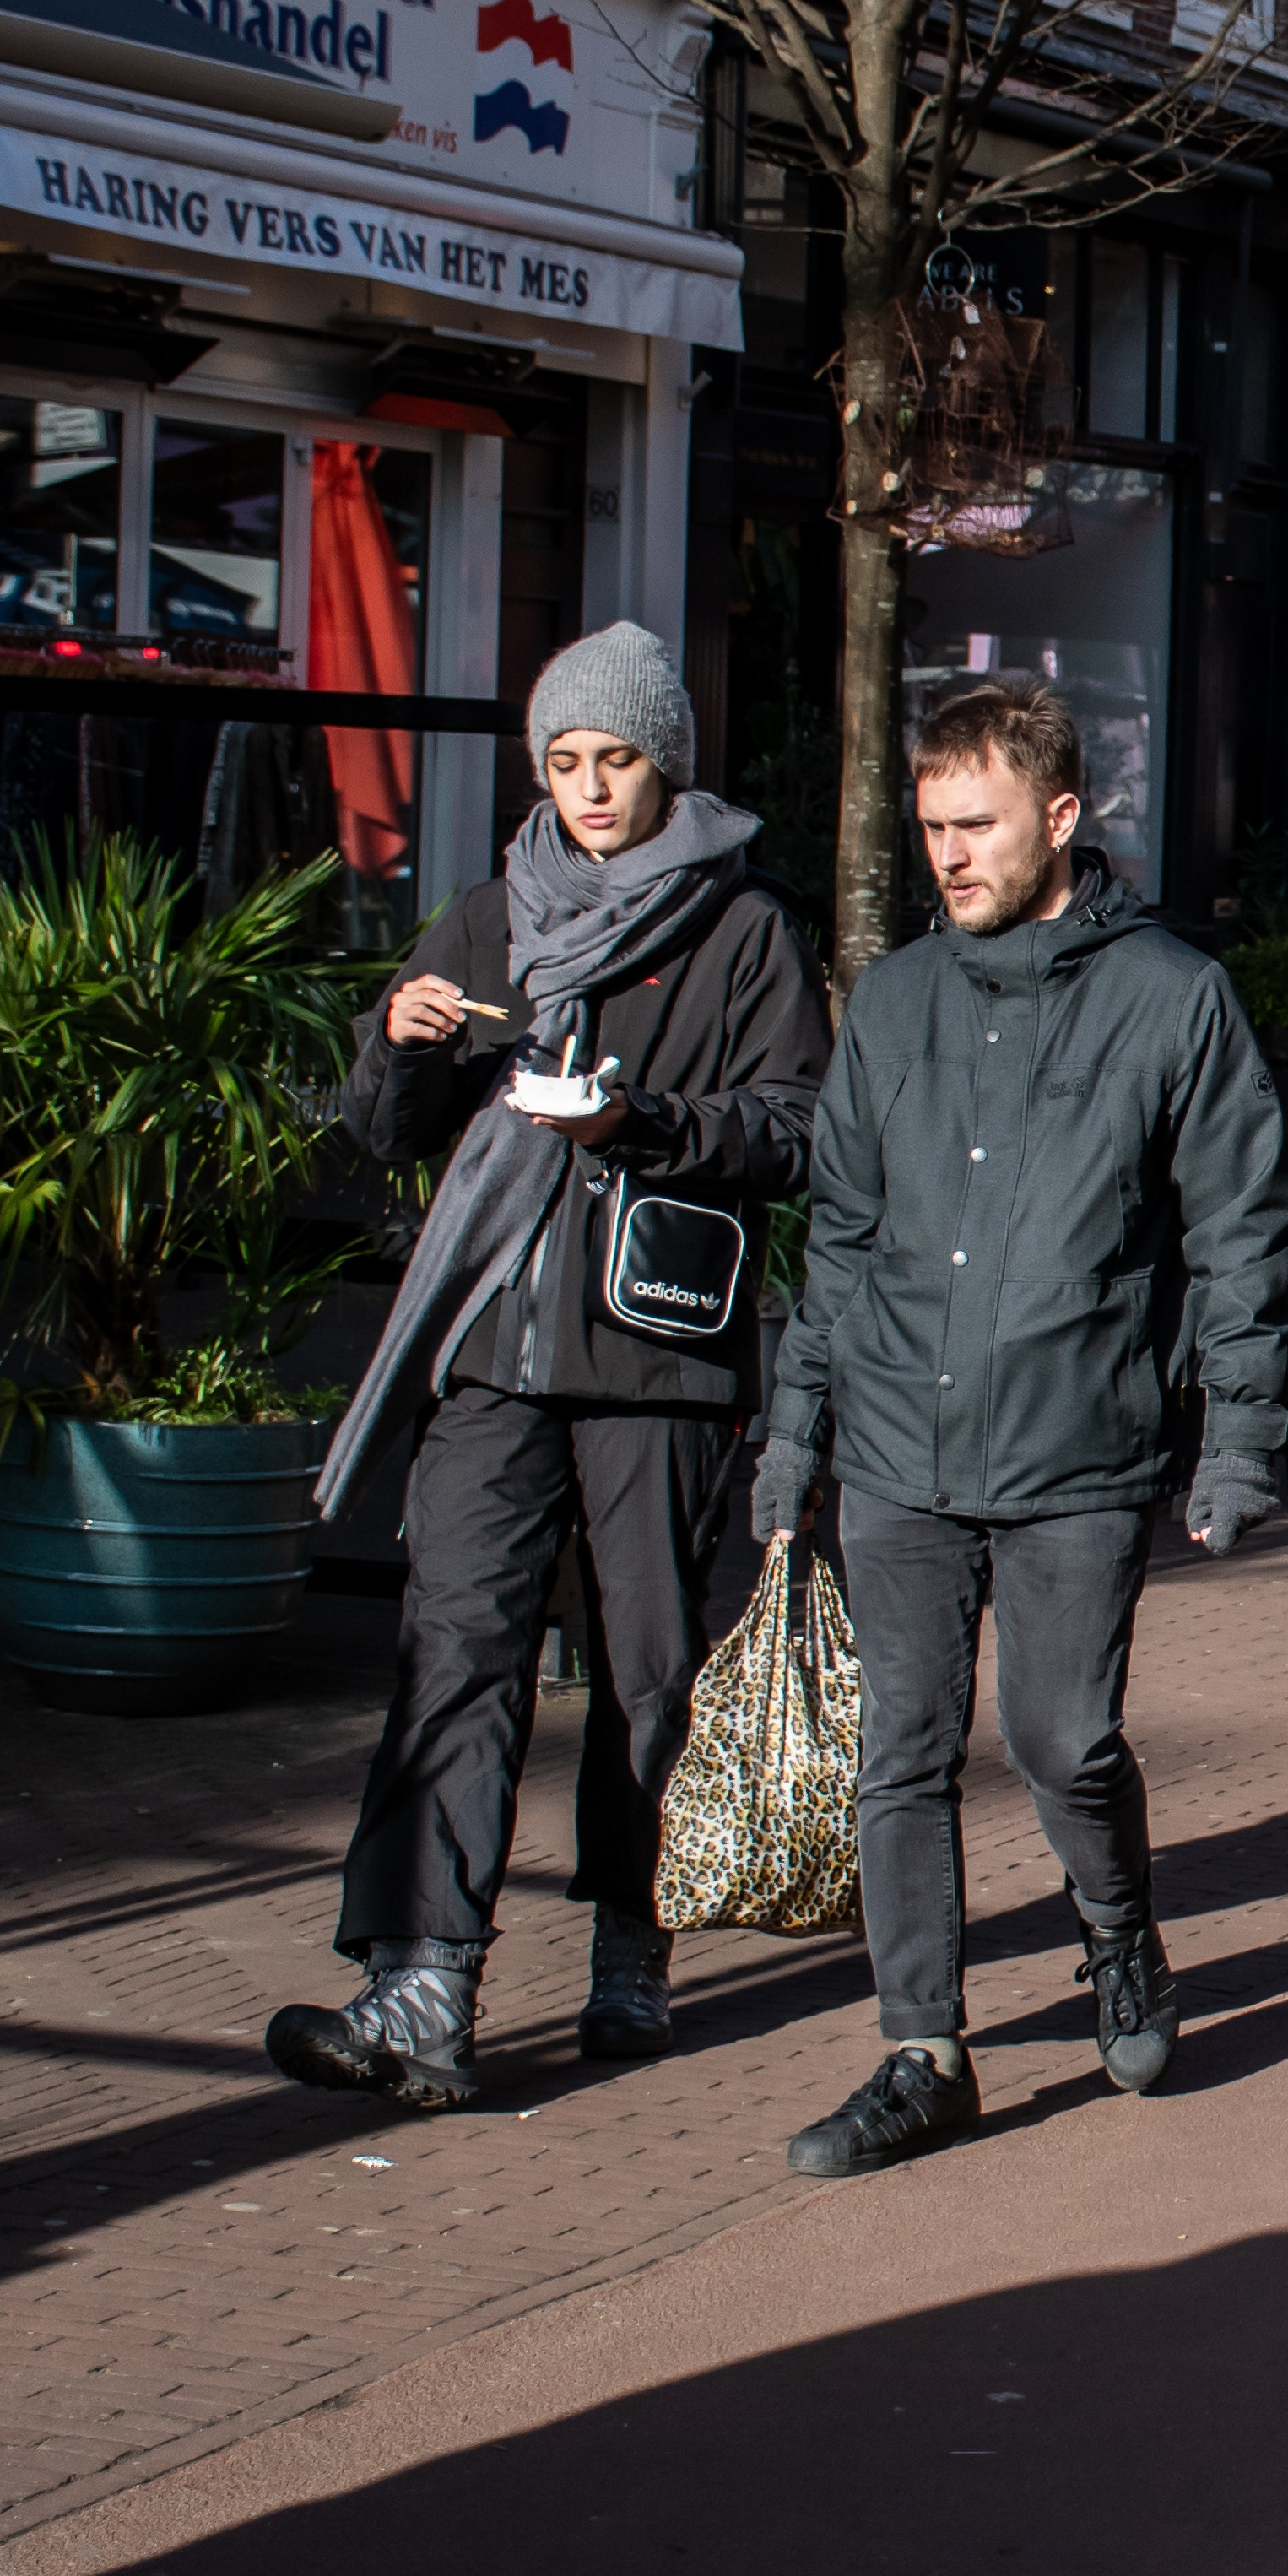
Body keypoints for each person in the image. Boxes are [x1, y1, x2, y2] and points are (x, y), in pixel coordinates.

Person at [270, 625, 830, 2111]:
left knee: (648, 1673)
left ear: (670, 763)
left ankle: (631, 1942)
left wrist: (638, 1122)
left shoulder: (744, 931)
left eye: (616, 759)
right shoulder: (491, 912)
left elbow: (800, 1130)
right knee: (454, 1645)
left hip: (656, 1352)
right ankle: (421, 1984)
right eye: (566, 762)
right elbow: (385, 1132)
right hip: (495, 1346)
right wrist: (395, 1043)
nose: (588, 787)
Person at [748, 679, 1288, 2178]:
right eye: (929, 827)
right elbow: (840, 1235)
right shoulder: (897, 1001)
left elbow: (1237, 1231)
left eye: (973, 824)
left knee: (1062, 1741)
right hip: (895, 1442)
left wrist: (1240, 1436)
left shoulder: (1175, 996)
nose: (947, 855)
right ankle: (921, 2047)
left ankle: (1117, 1929)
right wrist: (795, 1427)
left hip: (1079, 1444)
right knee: (901, 1751)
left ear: (1060, 818)